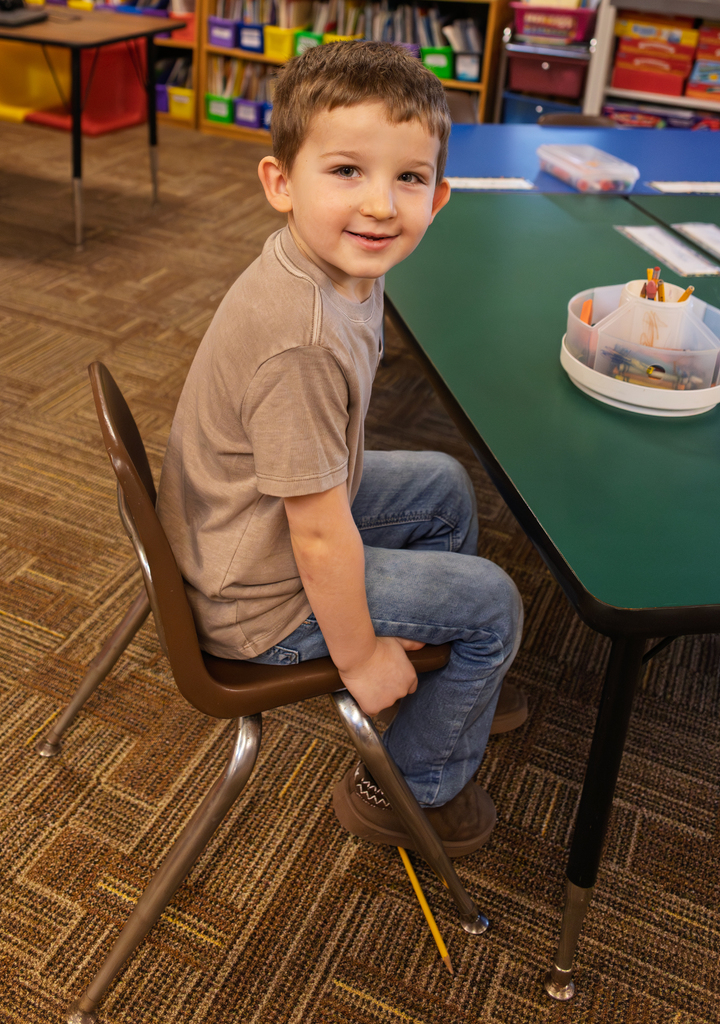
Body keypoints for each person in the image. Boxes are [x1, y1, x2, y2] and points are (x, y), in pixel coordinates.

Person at [157, 40, 524, 858]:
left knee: (440, 483)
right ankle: (411, 783)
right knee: (494, 604)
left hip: (238, 523)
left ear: (440, 196)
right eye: (347, 171)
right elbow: (317, 536)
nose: (382, 206)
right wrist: (359, 657)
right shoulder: (303, 344)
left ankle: (442, 680)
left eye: (408, 179)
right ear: (279, 183)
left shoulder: (334, 262)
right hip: (255, 594)